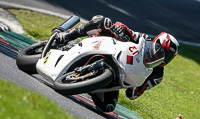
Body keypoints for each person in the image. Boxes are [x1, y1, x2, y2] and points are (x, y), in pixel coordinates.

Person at [52, 15, 180, 112]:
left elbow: (133, 94)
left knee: (108, 107)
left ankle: (92, 83)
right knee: (103, 22)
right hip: (110, 49)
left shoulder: (157, 75)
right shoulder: (144, 39)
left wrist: (136, 83)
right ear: (155, 42)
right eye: (161, 51)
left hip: (120, 75)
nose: (162, 57)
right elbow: (125, 28)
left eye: (168, 57)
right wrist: (118, 29)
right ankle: (67, 36)